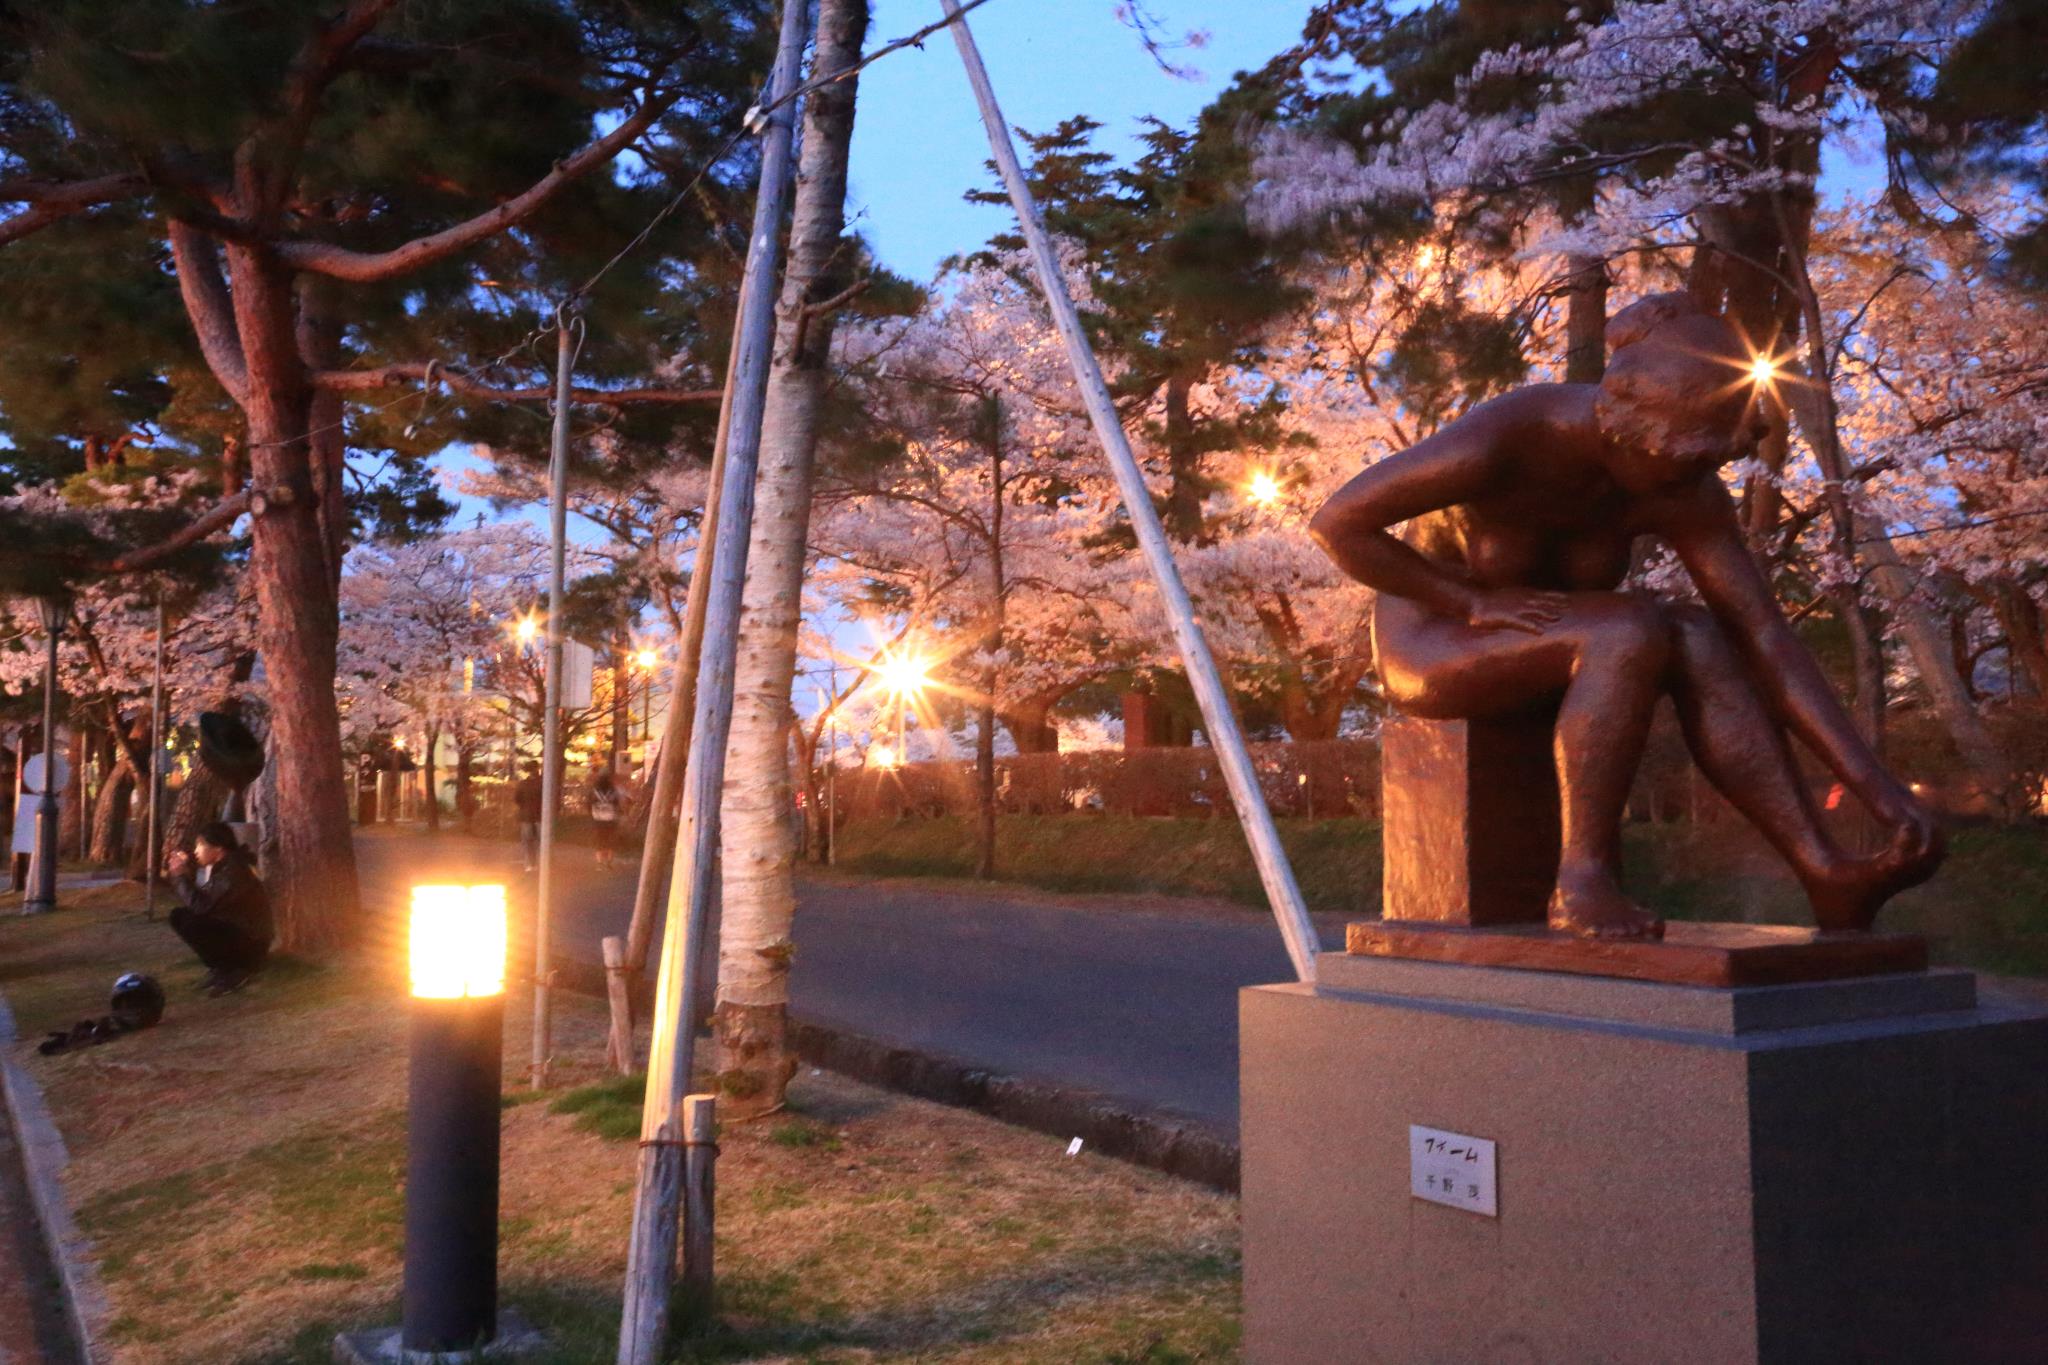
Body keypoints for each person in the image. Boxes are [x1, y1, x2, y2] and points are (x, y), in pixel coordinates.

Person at [1309, 294, 1943, 940]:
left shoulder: (1680, 485)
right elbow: (1338, 523)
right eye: (1686, 459)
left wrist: (1877, 789)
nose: (1696, 477)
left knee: (1694, 632)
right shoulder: (1510, 436)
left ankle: (1823, 868)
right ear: (1624, 431)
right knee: (1626, 629)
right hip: (1436, 641)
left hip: (1557, 644)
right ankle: (1579, 880)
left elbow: (1764, 635)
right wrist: (1470, 600)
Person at [165, 822, 273, 995]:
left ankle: (236, 971)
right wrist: (183, 874)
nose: (195, 851)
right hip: (241, 934)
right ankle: (221, 969)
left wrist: (180, 877)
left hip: (251, 944)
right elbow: (204, 901)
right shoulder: (226, 866)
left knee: (191, 922)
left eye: (200, 845)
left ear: (218, 848)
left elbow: (201, 907)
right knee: (180, 916)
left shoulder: (233, 871)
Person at [588, 769, 622, 870]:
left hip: (598, 818)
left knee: (599, 840)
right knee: (610, 840)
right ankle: (608, 862)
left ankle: (600, 862)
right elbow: (617, 804)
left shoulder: (594, 791)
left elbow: (589, 804)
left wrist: (592, 813)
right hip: (610, 818)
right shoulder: (613, 791)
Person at [514, 761, 543, 872]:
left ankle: (530, 864)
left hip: (526, 815)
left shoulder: (523, 784)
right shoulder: (542, 783)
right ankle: (541, 863)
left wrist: (523, 807)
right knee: (541, 841)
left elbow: (517, 799)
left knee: (528, 841)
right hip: (540, 815)